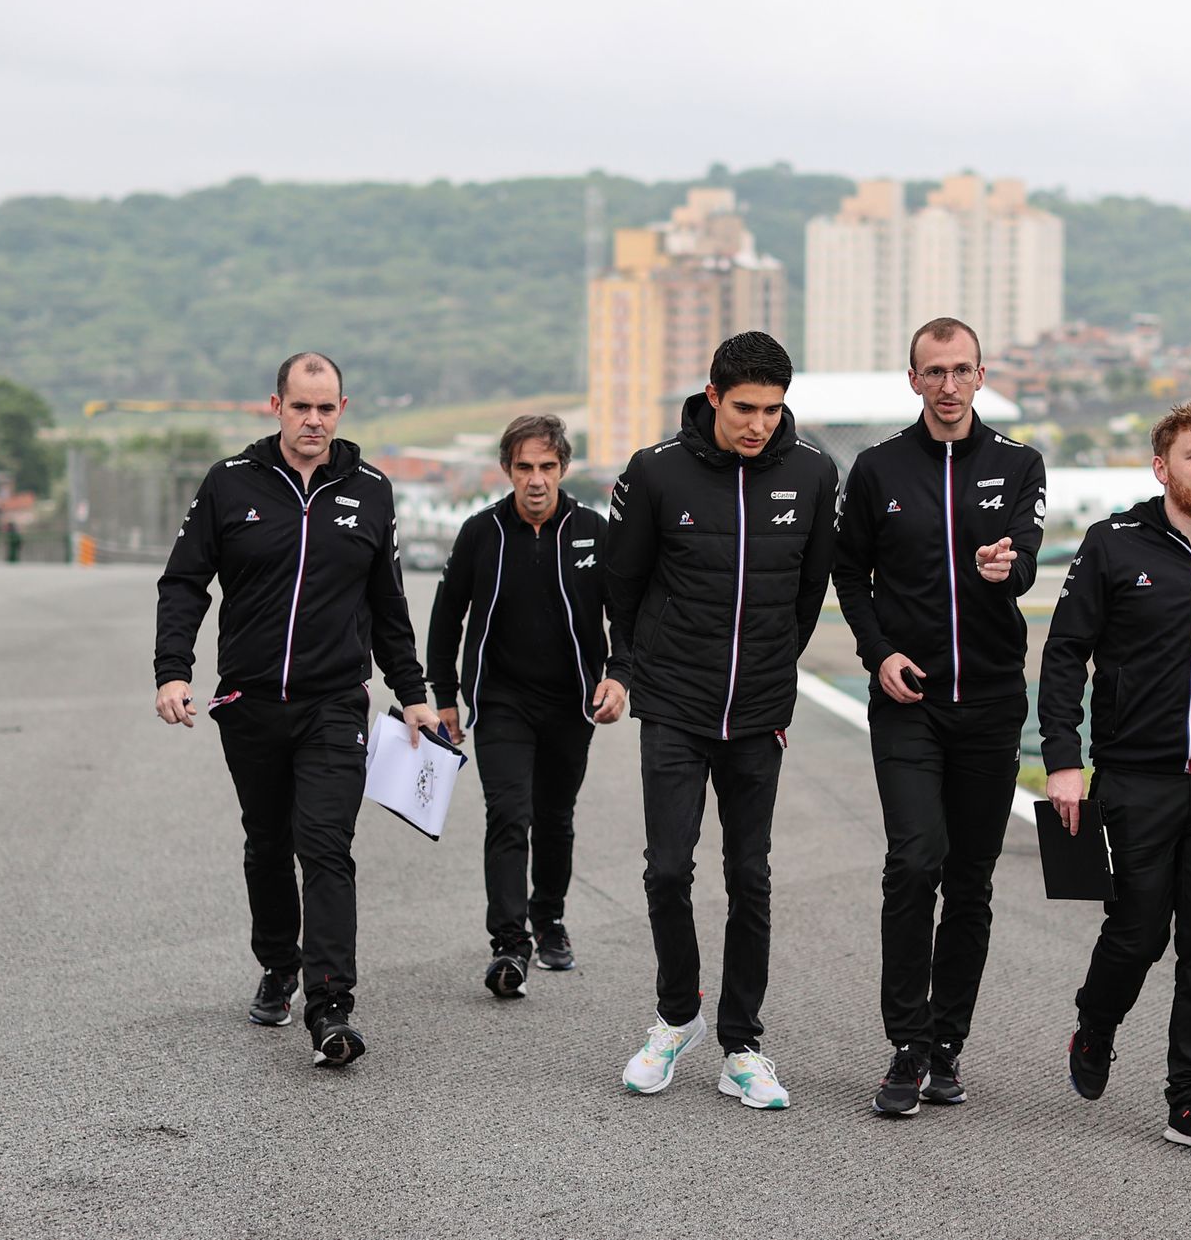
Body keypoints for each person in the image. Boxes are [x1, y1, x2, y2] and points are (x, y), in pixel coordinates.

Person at [154, 351, 439, 1068]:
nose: (314, 420)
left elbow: (389, 602)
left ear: (342, 410)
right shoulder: (230, 482)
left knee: (325, 845)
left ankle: (331, 1006)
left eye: (326, 407)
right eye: (301, 406)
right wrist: (173, 672)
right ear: (275, 406)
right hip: (249, 702)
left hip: (333, 704)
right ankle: (279, 964)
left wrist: (413, 694)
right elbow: (184, 582)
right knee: (267, 842)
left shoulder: (371, 490)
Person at [1037, 397, 1191, 1157]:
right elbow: (1064, 655)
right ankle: (1096, 1023)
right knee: (1138, 932)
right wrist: (1063, 761)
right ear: (1161, 467)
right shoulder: (1112, 544)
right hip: (1134, 778)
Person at [604, 330, 838, 1111]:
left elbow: (808, 591)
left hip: (760, 708)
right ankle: (677, 1016)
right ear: (712, 397)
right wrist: (637, 666)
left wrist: (770, 664)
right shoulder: (655, 470)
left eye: (772, 409)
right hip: (674, 702)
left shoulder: (813, 474)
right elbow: (623, 583)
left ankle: (742, 1045)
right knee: (669, 868)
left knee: (751, 874)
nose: (759, 424)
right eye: (744, 408)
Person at [832, 316, 1046, 1116]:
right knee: (915, 859)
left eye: (961, 370)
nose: (948, 384)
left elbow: (1025, 559)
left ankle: (948, 1043)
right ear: (914, 379)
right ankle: (906, 1045)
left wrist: (1004, 567)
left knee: (969, 879)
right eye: (934, 371)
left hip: (990, 701)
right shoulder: (877, 467)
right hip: (908, 700)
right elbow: (849, 574)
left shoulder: (1019, 463)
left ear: (982, 376)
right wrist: (878, 652)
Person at [425, 414, 630, 999]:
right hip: (501, 702)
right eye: (524, 467)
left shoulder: (593, 531)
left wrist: (619, 676)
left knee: (555, 817)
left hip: (571, 703)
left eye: (546, 466)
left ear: (563, 468)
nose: (535, 480)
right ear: (507, 470)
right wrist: (445, 697)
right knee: (509, 815)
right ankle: (510, 943)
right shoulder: (481, 532)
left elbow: (624, 614)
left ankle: (550, 919)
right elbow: (447, 617)